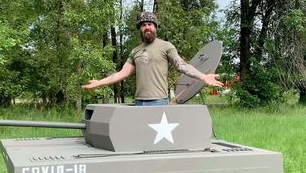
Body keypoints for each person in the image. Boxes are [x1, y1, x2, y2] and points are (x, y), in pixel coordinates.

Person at [82, 11, 223, 106]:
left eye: (150, 24)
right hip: (139, 102)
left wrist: (203, 77)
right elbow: (122, 73)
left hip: (159, 102)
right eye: (144, 25)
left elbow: (182, 66)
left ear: (155, 27)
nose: (147, 27)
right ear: (140, 29)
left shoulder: (166, 46)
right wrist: (100, 82)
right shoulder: (135, 51)